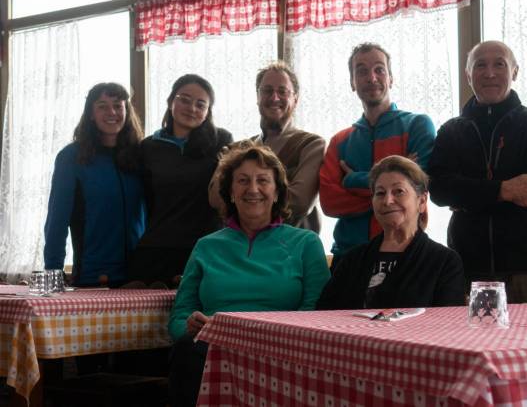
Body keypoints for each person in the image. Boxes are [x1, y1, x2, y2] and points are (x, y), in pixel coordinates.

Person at [168, 141, 330, 407]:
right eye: (242, 180)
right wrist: (191, 328)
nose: (252, 189)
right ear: (230, 192)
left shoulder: (306, 243)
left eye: (263, 180)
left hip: (281, 352)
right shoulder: (206, 246)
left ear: (277, 192)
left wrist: (259, 337)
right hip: (212, 349)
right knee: (185, 349)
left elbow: (317, 312)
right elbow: (179, 316)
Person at [428, 41, 527, 303]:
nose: (489, 73)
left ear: (515, 72)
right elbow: (440, 191)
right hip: (468, 265)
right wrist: (505, 190)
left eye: (499, 64)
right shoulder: (450, 130)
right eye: (480, 65)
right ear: (468, 75)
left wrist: (468, 195)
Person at [319, 43, 436, 261]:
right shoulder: (339, 141)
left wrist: (353, 179)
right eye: (361, 71)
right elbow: (329, 202)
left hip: (406, 254)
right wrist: (398, 191)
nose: (371, 78)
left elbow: (421, 184)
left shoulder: (417, 126)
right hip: (348, 257)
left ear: (391, 78)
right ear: (352, 83)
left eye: (379, 69)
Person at [316, 155, 465, 309]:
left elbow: (448, 326)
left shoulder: (444, 262)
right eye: (380, 193)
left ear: (421, 201)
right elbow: (323, 314)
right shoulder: (352, 260)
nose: (388, 201)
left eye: (398, 191)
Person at [129, 74, 232, 287]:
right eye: (184, 99)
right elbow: (141, 202)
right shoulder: (148, 147)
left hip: (206, 248)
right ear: (170, 101)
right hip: (156, 248)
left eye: (200, 104)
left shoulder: (221, 141)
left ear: (208, 111)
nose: (191, 108)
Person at [44, 82, 144, 287]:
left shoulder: (141, 155)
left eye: (118, 105)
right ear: (90, 113)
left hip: (140, 275)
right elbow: (57, 221)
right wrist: (53, 274)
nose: (112, 112)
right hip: (95, 277)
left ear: (127, 111)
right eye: (102, 106)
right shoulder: (71, 157)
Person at [210, 62, 325, 232]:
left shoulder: (311, 145)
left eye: (282, 91)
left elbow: (299, 203)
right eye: (267, 90)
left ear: (295, 99)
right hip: (241, 250)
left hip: (292, 251)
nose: (275, 97)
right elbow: (215, 198)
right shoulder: (236, 149)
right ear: (257, 97)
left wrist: (242, 200)